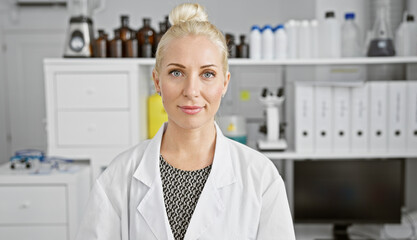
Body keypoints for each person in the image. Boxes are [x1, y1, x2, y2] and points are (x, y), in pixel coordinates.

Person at [76, 3, 295, 240]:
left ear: (225, 83)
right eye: (176, 73)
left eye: (207, 74)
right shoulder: (119, 176)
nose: (191, 90)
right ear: (157, 81)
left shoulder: (261, 177)